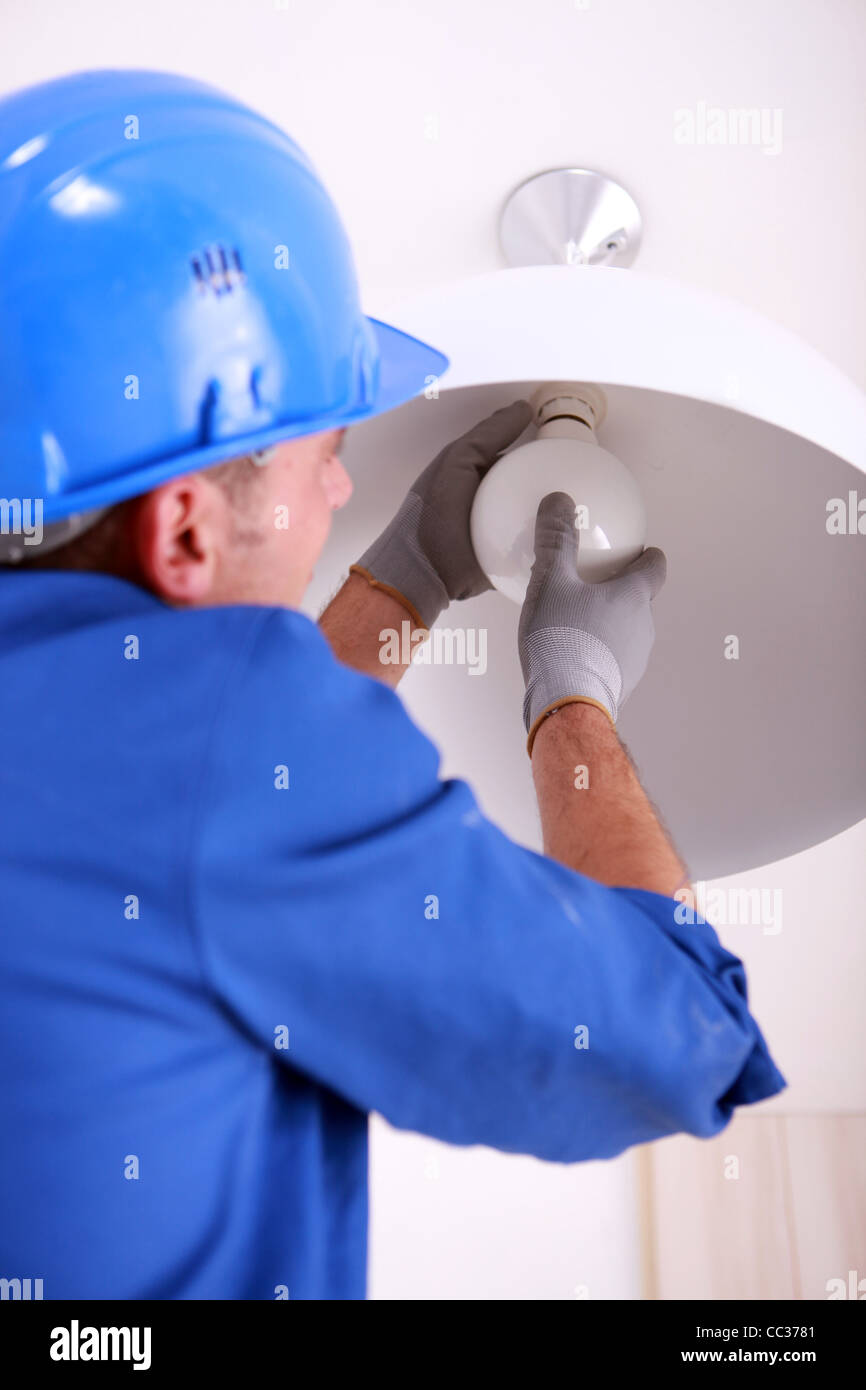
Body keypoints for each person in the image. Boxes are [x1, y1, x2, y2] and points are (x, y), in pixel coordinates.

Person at [0, 69, 784, 1302]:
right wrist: (570, 695)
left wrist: (404, 583)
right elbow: (672, 1041)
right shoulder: (214, 737)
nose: (337, 495)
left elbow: (181, 803)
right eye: (329, 454)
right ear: (187, 531)